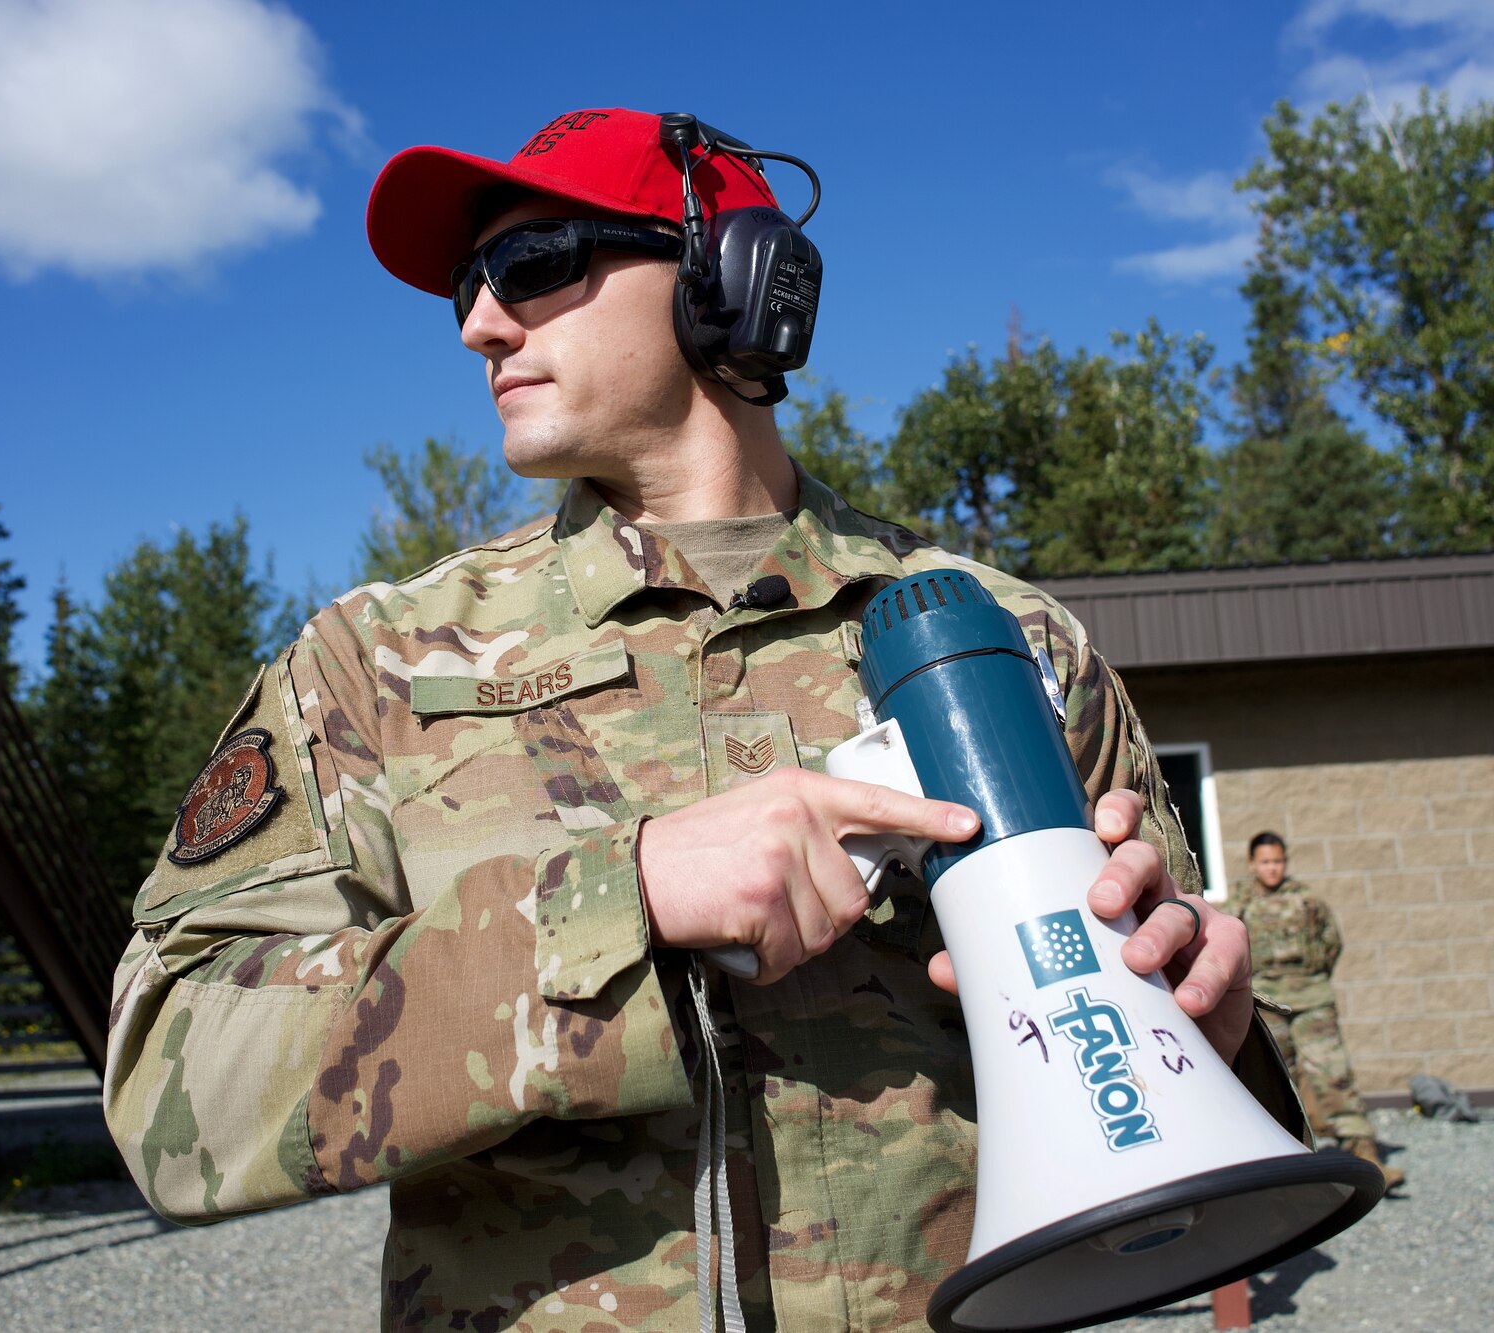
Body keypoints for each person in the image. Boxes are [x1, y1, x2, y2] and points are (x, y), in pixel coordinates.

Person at [104, 107, 1294, 1332]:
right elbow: (173, 1081)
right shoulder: (374, 666)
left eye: (528, 265)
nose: (478, 323)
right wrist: (620, 904)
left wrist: (1211, 1010)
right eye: (466, 286)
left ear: (724, 275)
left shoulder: (1009, 640)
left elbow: (1206, 1067)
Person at [1225, 830, 1404, 1192]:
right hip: (1266, 1002)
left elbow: (1330, 943)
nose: (1272, 869)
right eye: (1265, 862)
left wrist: (1311, 979)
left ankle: (1365, 1152)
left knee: (1332, 1072)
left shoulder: (1308, 902)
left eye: (1277, 861)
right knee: (1276, 1079)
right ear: (1252, 864)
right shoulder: (1238, 905)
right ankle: (1285, 1162)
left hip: (1312, 998)